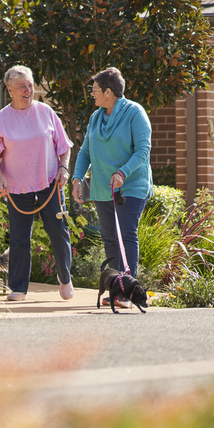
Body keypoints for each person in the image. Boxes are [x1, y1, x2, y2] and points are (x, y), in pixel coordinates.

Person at [0, 65, 74, 302]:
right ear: (10, 90)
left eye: (31, 85)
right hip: (16, 187)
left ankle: (65, 278)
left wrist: (64, 168)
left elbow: (64, 147)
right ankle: (18, 288)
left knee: (57, 230)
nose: (28, 90)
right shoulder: (1, 119)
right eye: (22, 86)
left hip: (49, 182)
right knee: (19, 236)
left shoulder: (45, 112)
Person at [71, 67, 151, 301]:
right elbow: (85, 151)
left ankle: (127, 292)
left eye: (96, 90)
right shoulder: (96, 117)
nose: (92, 94)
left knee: (125, 235)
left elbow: (143, 150)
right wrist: (77, 178)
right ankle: (117, 289)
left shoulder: (135, 113)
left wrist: (123, 173)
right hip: (103, 189)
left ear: (109, 92)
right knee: (109, 238)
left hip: (130, 186)